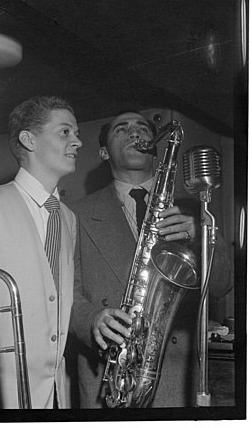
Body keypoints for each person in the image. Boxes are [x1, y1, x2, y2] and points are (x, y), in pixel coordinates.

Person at [69, 110, 233, 408]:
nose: (136, 133)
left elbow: (222, 285)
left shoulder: (194, 208)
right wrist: (92, 319)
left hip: (180, 381)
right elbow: (66, 296)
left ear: (155, 146)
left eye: (143, 128)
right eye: (122, 129)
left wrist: (203, 236)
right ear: (104, 152)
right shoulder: (75, 213)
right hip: (111, 379)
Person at [0, 96, 82, 408]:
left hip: (57, 394)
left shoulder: (68, 218)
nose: (78, 141)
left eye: (77, 133)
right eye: (65, 132)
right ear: (28, 139)